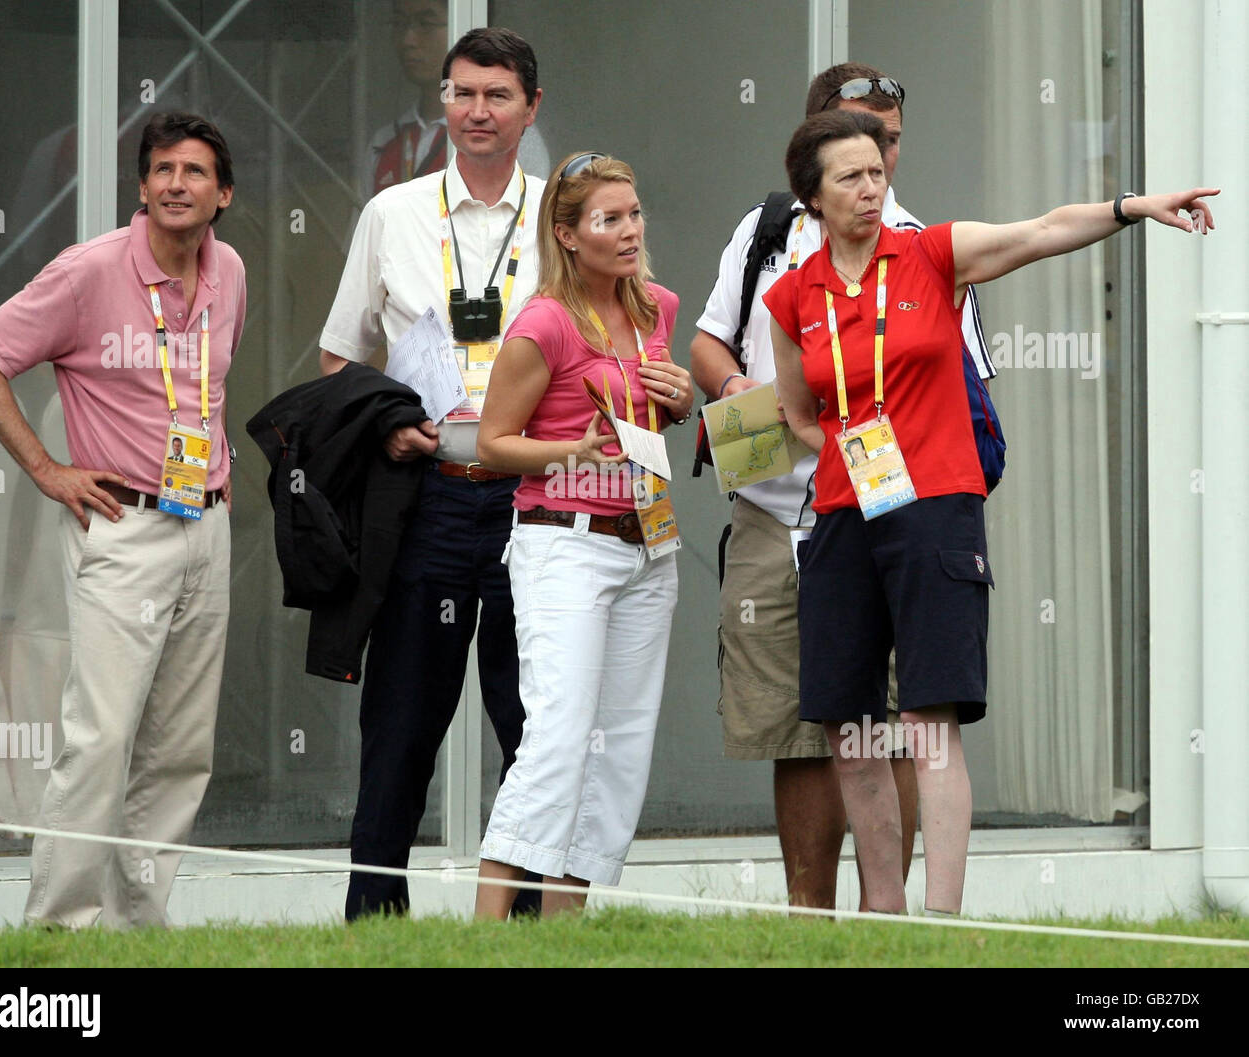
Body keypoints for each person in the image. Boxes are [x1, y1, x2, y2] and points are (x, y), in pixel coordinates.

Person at [766, 107, 1216, 913]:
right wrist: (838, 450)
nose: (873, 189)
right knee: (850, 727)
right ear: (813, 199)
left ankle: (939, 917)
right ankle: (882, 916)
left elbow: (1040, 229)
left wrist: (1131, 208)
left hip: (937, 505)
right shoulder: (792, 295)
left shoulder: (931, 253)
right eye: (851, 178)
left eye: (878, 171)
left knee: (931, 720)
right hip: (842, 513)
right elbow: (799, 410)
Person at [691, 63, 997, 908]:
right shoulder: (763, 234)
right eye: (861, 140)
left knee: (907, 721)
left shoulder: (921, 245)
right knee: (805, 721)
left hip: (896, 506)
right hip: (774, 506)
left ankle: (889, 911)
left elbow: (964, 378)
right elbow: (709, 347)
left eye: (890, 142)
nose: (879, 164)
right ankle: (810, 917)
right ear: (812, 144)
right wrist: (752, 408)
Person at [0, 112, 244, 928]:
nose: (175, 184)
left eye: (193, 172)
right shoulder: (89, 271)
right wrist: (46, 469)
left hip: (205, 525)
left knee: (180, 748)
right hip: (123, 527)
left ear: (223, 193)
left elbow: (208, 389)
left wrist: (218, 475)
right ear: (142, 188)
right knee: (102, 738)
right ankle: (61, 926)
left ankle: (139, 925)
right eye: (160, 170)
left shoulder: (232, 272)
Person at [319, 27, 546, 919]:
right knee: (402, 725)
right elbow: (342, 362)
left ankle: (532, 921)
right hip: (427, 500)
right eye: (461, 93)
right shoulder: (394, 213)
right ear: (442, 102)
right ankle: (373, 920)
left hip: (535, 501)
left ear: (530, 106)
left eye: (495, 95)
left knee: (531, 720)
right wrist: (387, 431)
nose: (475, 111)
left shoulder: (563, 215)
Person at [472, 152, 693, 918]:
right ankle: (488, 927)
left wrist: (682, 398)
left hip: (647, 541)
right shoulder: (544, 323)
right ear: (567, 235)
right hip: (561, 541)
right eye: (610, 218)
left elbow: (650, 424)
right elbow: (492, 442)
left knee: (621, 746)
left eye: (634, 213)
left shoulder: (655, 309)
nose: (630, 230)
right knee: (559, 736)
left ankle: (568, 928)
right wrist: (568, 450)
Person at [362, 0, 550, 197]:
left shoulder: (513, 137)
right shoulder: (384, 142)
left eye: (426, 23)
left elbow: (524, 217)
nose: (408, 40)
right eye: (399, 23)